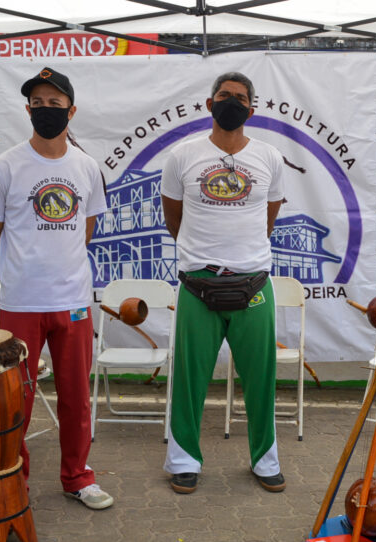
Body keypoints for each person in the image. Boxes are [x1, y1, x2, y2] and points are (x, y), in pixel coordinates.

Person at [0, 67, 113, 510]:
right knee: (16, 400)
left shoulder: (86, 167)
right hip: (21, 304)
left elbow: (84, 230)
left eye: (55, 104)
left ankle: (78, 477)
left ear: (71, 111)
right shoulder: (5, 166)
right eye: (38, 103)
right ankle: (14, 479)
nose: (45, 110)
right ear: (27, 109)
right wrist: (24, 265)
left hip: (72, 302)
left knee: (76, 398)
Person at [161, 72, 286, 495]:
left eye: (239, 97)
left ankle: (265, 460)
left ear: (252, 108)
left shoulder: (269, 158)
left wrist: (241, 253)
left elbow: (269, 218)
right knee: (189, 378)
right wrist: (203, 256)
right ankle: (183, 460)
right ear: (209, 103)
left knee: (261, 378)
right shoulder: (182, 156)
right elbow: (172, 219)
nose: (231, 102)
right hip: (198, 284)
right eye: (223, 95)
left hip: (253, 284)